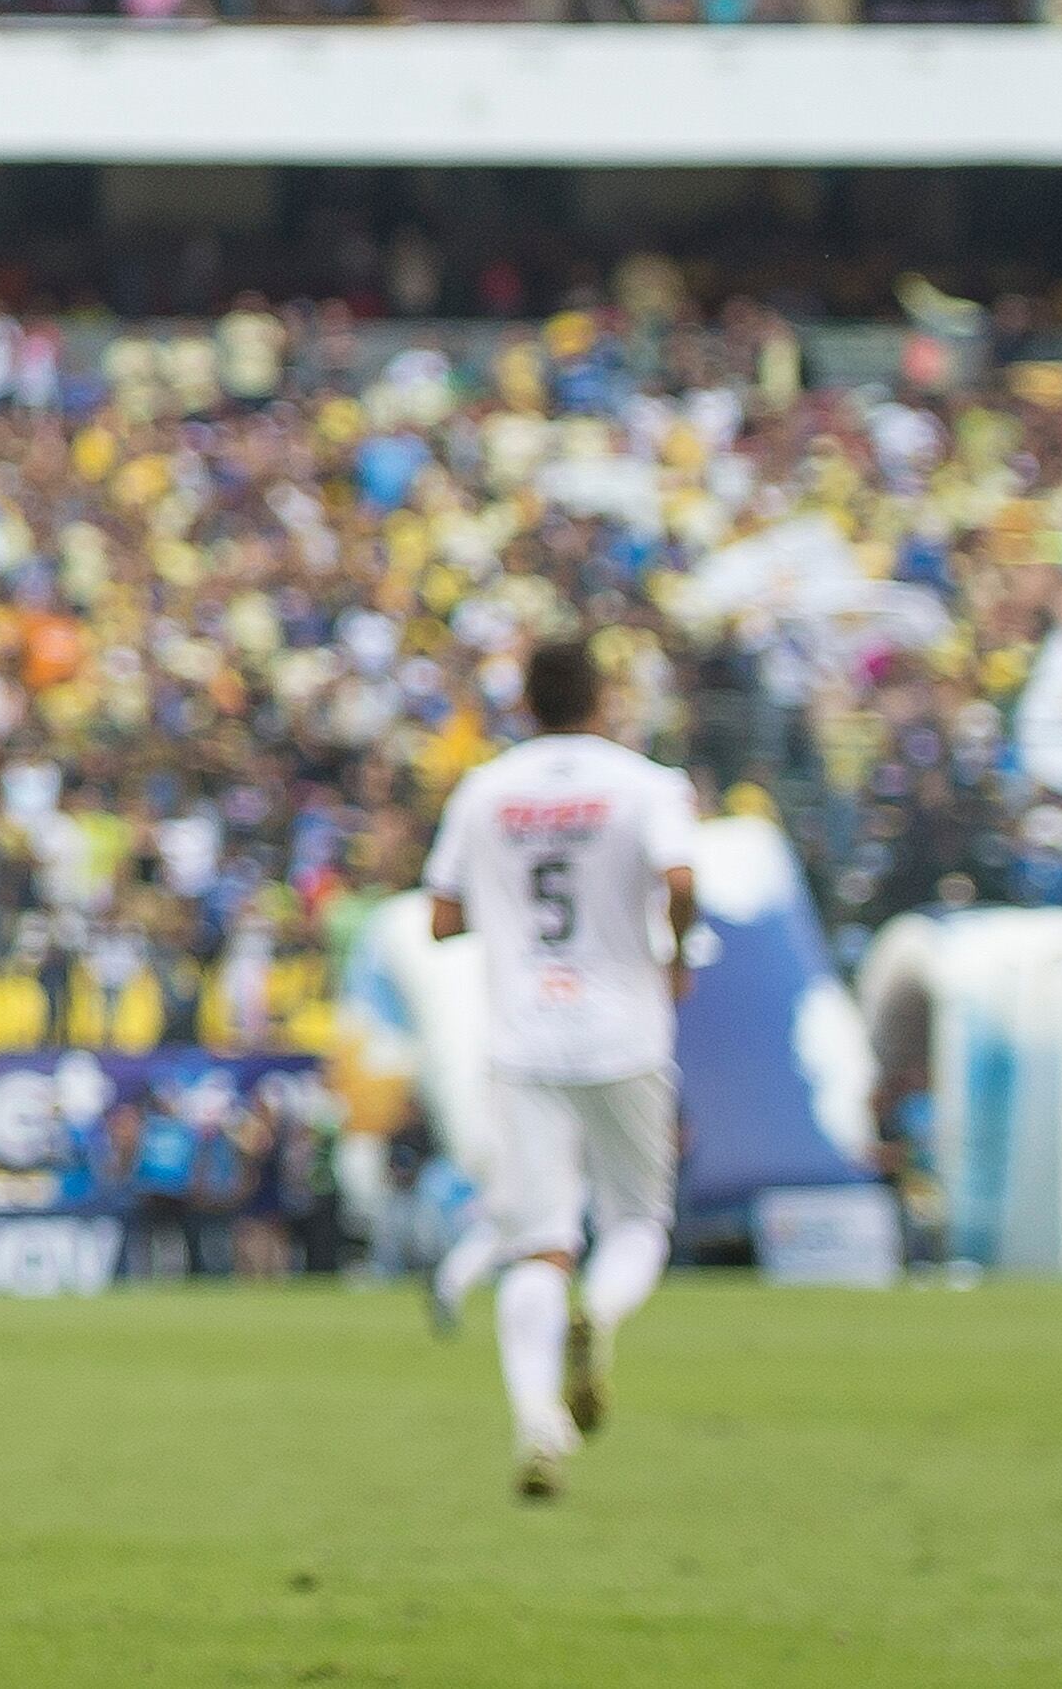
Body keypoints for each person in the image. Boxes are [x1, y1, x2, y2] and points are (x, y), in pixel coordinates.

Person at [420, 640, 700, 1504]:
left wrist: (505, 917)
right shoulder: (646, 783)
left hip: (522, 1036)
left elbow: (439, 916)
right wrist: (675, 949)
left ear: (525, 704)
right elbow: (681, 878)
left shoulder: (485, 790)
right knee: (638, 1220)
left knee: (536, 1244)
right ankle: (603, 1313)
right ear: (602, 698)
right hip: (624, 1031)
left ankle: (540, 1422)